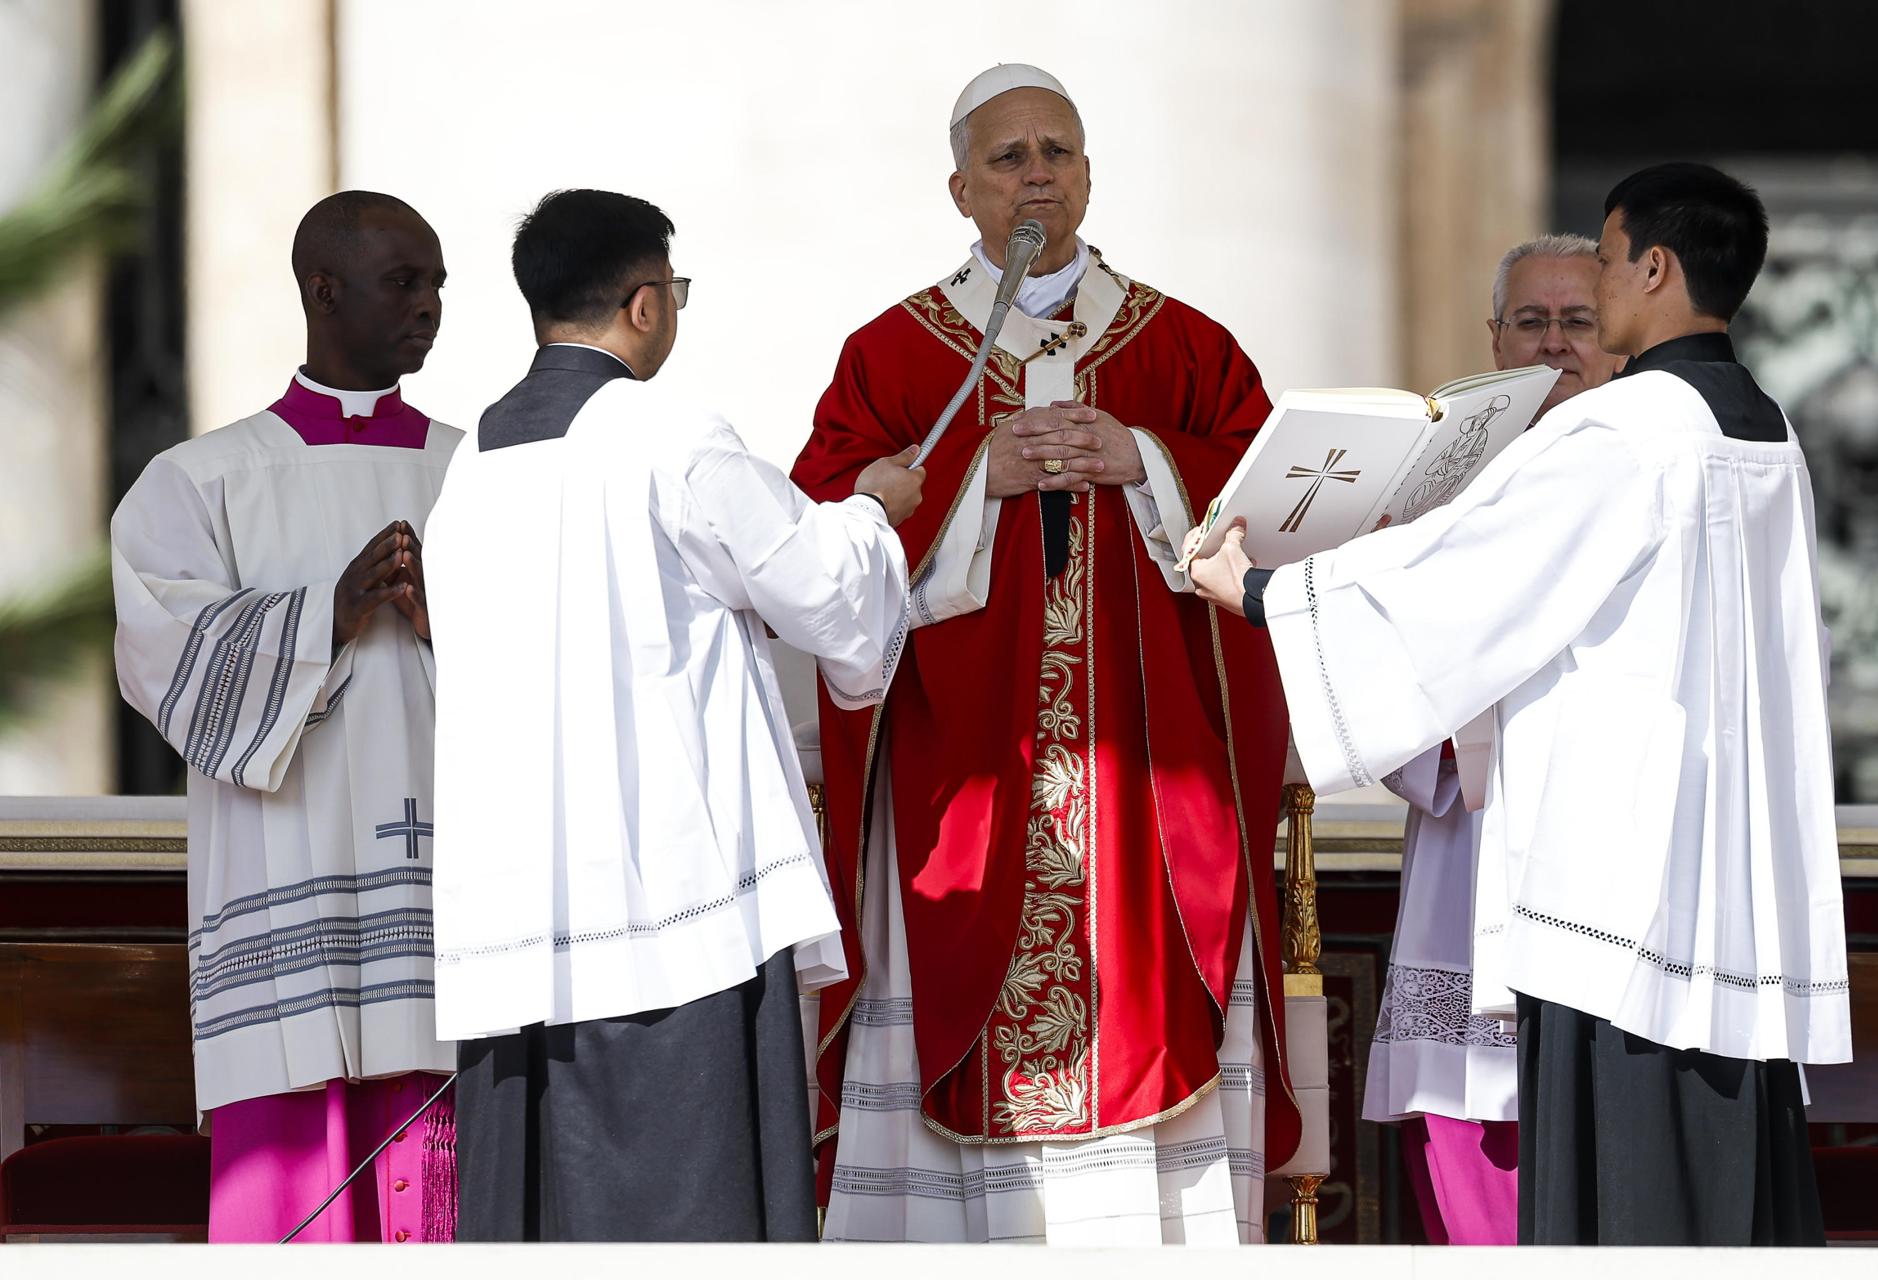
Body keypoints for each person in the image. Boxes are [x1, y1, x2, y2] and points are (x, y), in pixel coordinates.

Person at [1190, 162, 1847, 1246]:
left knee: (1622, 1199)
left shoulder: (1622, 433)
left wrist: (1263, 592)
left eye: (1602, 255)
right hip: (1723, 884)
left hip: (1618, 898)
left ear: (1654, 265)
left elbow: (1466, 578)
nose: (1593, 280)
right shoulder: (1766, 433)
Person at [789, 63, 1300, 1244]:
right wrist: (977, 478)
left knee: (1149, 1001)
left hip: (1142, 776)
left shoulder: (1183, 344)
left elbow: (1275, 497)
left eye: (1056, 154)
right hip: (961, 771)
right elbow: (819, 538)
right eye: (1008, 158)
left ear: (1087, 174)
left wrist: (1149, 461)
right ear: (960, 187)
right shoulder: (895, 355)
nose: (1035, 178)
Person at [427, 189, 922, 1242]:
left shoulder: (468, 470)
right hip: (670, 916)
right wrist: (875, 509)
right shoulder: (669, 437)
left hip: (520, 925)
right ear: (646, 303)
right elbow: (821, 591)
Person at [111, 191, 458, 1243]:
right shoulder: (199, 480)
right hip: (284, 876)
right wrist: (326, 613)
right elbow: (158, 654)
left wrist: (451, 620)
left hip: (449, 883)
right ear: (325, 290)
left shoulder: (482, 469)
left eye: (440, 284)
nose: (432, 307)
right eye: (407, 281)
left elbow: (559, 658)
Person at [1366, 233, 1620, 1246]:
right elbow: (1379, 670)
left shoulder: (1662, 463)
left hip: (1610, 852)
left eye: (1579, 321)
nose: (1555, 345)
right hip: (1471, 857)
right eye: (1533, 320)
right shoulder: (1435, 488)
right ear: (1494, 336)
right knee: (1471, 1158)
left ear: (1621, 336)